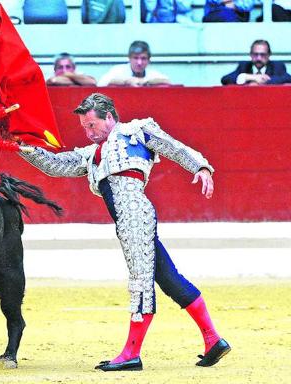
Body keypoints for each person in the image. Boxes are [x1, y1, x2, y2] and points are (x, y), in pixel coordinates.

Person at [18, 93, 230, 371]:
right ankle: (213, 340)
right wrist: (23, 149)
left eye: (92, 125)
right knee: (168, 278)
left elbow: (174, 148)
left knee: (141, 281)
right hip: (126, 219)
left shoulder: (136, 131)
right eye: (84, 127)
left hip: (134, 214)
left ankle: (131, 353)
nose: (88, 132)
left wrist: (201, 166)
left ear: (109, 117)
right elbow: (57, 165)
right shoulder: (91, 154)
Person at [221, 39, 291, 85]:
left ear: (269, 55)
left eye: (262, 54)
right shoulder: (244, 65)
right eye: (255, 54)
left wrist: (264, 81)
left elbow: (290, 79)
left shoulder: (277, 66)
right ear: (250, 54)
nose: (258, 58)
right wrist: (252, 77)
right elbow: (225, 79)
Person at [98, 41, 170, 87]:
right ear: (129, 58)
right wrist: (126, 81)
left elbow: (167, 81)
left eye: (143, 58)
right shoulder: (118, 70)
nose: (139, 63)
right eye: (135, 58)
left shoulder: (153, 73)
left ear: (149, 59)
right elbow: (101, 84)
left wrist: (146, 82)